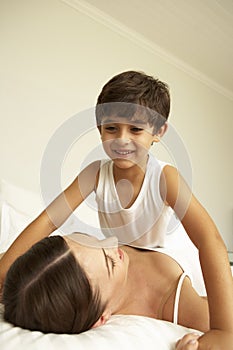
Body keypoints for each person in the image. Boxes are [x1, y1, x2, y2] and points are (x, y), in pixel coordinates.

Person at [0, 71, 232, 347]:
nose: (122, 139)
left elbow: (209, 239)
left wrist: (223, 330)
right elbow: (49, 220)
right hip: (121, 252)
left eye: (135, 129)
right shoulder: (96, 173)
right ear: (99, 129)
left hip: (171, 258)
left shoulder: (164, 178)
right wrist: (3, 270)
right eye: (111, 128)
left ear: (158, 132)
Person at [2, 233, 233, 350]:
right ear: (101, 318)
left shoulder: (69, 262)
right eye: (110, 263)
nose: (112, 244)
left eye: (93, 240)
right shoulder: (174, 302)